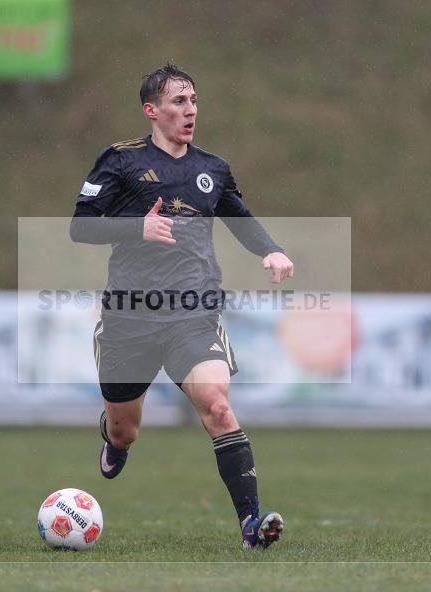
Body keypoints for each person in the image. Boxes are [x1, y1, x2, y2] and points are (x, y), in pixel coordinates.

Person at [69, 63, 294, 548]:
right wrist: (137, 226)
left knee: (216, 404)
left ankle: (251, 526)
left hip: (193, 313)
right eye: (177, 102)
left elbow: (240, 217)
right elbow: (80, 226)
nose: (189, 110)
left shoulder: (212, 169)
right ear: (152, 110)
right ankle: (112, 437)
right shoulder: (120, 161)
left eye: (193, 101)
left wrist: (270, 249)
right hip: (129, 317)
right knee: (127, 430)